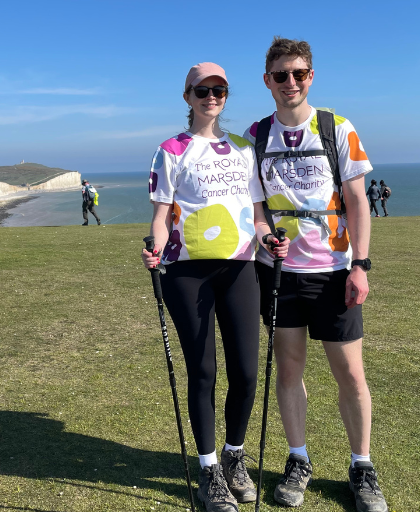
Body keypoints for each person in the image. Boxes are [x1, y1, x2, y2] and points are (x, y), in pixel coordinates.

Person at [243, 38, 388, 512]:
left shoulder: (336, 128)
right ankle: (298, 459)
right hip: (279, 272)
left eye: (299, 73)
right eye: (281, 75)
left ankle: (362, 466)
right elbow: (256, 205)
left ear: (311, 77)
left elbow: (358, 200)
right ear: (267, 81)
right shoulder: (255, 135)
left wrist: (361, 266)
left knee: (350, 373)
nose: (291, 83)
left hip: (332, 272)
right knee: (289, 369)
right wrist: (265, 236)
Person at [142, 62, 288, 512]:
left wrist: (267, 238)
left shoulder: (244, 148)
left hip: (240, 268)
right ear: (187, 96)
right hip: (187, 273)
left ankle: (233, 458)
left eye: (219, 89)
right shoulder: (170, 150)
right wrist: (155, 250)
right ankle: (209, 473)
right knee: (203, 373)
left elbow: (258, 211)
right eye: (202, 90)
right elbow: (161, 216)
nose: (211, 96)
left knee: (246, 372)